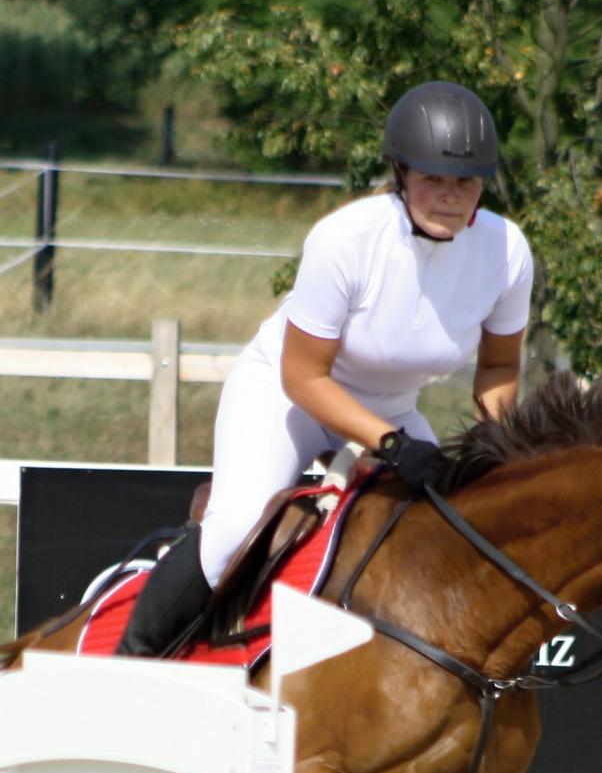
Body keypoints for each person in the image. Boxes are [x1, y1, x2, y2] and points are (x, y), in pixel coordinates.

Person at [116, 81, 533, 656]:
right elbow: (304, 378)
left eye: (465, 182)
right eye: (432, 179)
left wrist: (495, 449)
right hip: (285, 396)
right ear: (401, 173)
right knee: (234, 533)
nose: (449, 197)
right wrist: (392, 445)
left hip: (390, 409)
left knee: (452, 534)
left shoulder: (506, 252)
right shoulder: (346, 240)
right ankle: (134, 658)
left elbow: (499, 367)